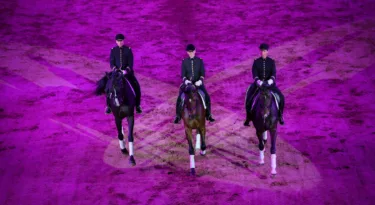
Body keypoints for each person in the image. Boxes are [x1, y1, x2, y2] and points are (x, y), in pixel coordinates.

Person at [173, 44, 215, 124]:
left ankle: (209, 115)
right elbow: (183, 74)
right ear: (187, 52)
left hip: (197, 84)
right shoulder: (184, 61)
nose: (191, 53)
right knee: (180, 97)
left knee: (206, 96)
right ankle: (178, 116)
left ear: (195, 51)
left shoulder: (200, 61)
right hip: (187, 84)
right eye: (189, 52)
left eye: (192, 51)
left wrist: (199, 81)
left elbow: (202, 73)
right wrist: (186, 81)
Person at [244, 43, 285, 126]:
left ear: (267, 52)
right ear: (260, 51)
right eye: (262, 51)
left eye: (265, 51)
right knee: (248, 98)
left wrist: (270, 81)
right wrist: (259, 81)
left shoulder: (271, 62)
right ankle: (248, 117)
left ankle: (280, 115)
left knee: (281, 97)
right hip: (258, 85)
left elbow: (273, 74)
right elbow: (254, 74)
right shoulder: (256, 62)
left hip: (270, 85)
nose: (263, 53)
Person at [105, 33, 142, 114]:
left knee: (136, 86)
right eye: (118, 41)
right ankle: (108, 106)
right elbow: (112, 63)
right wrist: (116, 70)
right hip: (116, 73)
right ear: (116, 42)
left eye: (121, 41)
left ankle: (138, 105)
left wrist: (125, 71)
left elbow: (130, 63)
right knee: (108, 86)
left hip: (127, 73)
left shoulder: (128, 50)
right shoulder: (113, 50)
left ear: (123, 41)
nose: (120, 42)